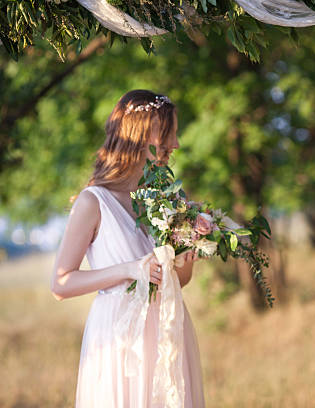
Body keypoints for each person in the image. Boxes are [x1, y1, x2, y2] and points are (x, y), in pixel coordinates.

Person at [50, 90, 206, 407]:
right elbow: (60, 284)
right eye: (169, 133)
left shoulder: (172, 198)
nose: (175, 144)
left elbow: (179, 280)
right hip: (119, 337)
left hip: (169, 328)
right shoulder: (93, 202)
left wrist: (188, 251)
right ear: (142, 134)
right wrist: (129, 269)